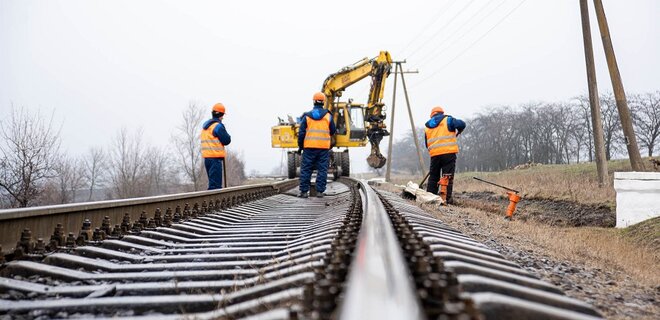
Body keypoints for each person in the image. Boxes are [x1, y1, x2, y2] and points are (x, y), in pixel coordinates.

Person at [297, 92, 336, 198]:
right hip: (323, 148)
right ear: (323, 102)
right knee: (322, 169)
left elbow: (301, 134)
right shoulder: (328, 116)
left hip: (309, 147)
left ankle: (304, 192)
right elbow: (333, 130)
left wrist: (300, 147)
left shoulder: (307, 117)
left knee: (306, 169)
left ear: (314, 101)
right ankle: (319, 192)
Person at [424, 106, 466, 204]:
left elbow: (427, 144)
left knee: (434, 177)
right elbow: (462, 124)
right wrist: (459, 130)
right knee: (447, 176)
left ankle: (431, 197)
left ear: (432, 115)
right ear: (441, 113)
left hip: (435, 154)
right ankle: (446, 199)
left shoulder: (427, 126)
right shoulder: (448, 120)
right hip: (448, 153)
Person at [201, 103, 231, 190]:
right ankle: (213, 203)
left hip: (207, 159)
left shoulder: (205, 127)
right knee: (215, 187)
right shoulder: (217, 126)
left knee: (212, 184)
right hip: (215, 159)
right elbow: (226, 140)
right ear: (221, 115)